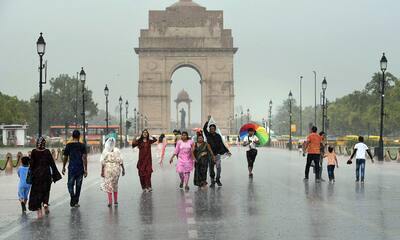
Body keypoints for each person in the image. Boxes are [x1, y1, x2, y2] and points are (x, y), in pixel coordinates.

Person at [28, 137, 62, 218]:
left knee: (37, 193)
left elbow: (31, 165)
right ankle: (45, 203)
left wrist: (30, 175)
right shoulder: (47, 152)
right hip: (46, 175)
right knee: (46, 190)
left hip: (37, 176)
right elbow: (52, 164)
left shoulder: (34, 152)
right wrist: (55, 175)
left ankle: (39, 212)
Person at [203, 116, 231, 187]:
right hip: (210, 154)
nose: (212, 129)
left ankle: (218, 179)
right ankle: (212, 181)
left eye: (213, 128)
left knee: (218, 168)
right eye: (210, 128)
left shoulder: (218, 136)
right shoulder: (207, 134)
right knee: (211, 168)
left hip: (217, 154)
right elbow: (204, 129)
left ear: (215, 129)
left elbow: (221, 144)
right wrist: (208, 121)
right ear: (209, 129)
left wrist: (226, 151)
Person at [62, 130, 87, 207]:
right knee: (78, 186)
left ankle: (72, 197)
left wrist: (63, 167)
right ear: (79, 137)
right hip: (80, 168)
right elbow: (84, 158)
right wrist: (85, 169)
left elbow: (65, 157)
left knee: (70, 184)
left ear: (72, 137)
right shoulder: (82, 146)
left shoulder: (68, 145)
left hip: (72, 168)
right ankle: (75, 201)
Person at [101, 138, 125, 207]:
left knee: (109, 185)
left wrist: (102, 171)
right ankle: (116, 201)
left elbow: (103, 162)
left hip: (108, 169)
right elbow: (121, 160)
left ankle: (110, 202)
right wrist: (123, 169)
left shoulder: (105, 151)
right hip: (116, 169)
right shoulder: (117, 150)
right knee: (115, 184)